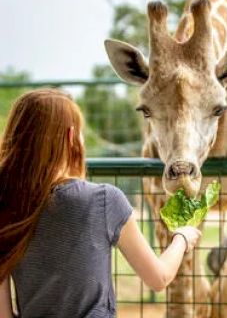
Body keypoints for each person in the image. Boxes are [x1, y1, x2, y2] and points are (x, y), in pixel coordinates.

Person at [0, 88, 202, 318]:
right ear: (71, 137)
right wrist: (182, 238)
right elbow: (159, 277)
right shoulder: (104, 200)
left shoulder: (6, 205)